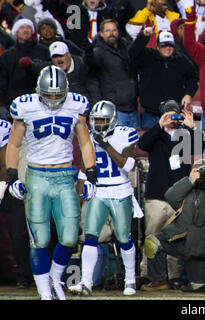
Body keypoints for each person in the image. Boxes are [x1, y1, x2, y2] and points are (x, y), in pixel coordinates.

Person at [6, 65, 97, 300]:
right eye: (49, 94)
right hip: (37, 176)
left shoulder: (77, 104)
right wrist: (12, 177)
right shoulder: (25, 106)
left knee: (69, 237)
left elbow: (86, 142)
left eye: (59, 94)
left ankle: (54, 279)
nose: (54, 99)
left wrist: (91, 174)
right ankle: (45, 292)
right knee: (40, 238)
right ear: (39, 90)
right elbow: (14, 144)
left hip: (66, 175)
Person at [68, 100, 139, 297]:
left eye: (102, 120)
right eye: (96, 120)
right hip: (98, 190)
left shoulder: (125, 134)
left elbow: (128, 165)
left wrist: (105, 145)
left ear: (112, 120)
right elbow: (83, 168)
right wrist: (79, 196)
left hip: (119, 191)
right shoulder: (88, 136)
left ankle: (130, 279)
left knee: (124, 237)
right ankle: (86, 282)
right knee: (91, 237)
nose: (98, 125)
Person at [143, 159, 205, 292]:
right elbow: (170, 196)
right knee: (152, 242)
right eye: (199, 170)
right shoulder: (187, 190)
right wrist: (189, 181)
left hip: (202, 247)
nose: (203, 174)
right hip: (181, 242)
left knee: (198, 287)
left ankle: (196, 279)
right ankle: (158, 280)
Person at [137, 100, 204, 290]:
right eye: (169, 115)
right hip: (156, 196)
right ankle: (149, 275)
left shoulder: (185, 135)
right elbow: (142, 143)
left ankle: (174, 276)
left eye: (176, 115)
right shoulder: (156, 135)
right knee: (152, 237)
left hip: (179, 198)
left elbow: (202, 147)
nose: (173, 119)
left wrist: (192, 128)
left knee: (174, 239)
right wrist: (160, 125)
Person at [129, 27, 199, 129]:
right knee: (150, 143)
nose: (167, 48)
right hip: (151, 114)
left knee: (176, 143)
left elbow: (193, 79)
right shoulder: (146, 56)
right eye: (164, 45)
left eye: (170, 45)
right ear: (157, 46)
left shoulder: (182, 60)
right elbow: (132, 52)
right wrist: (144, 35)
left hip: (174, 115)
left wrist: (189, 94)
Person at [86, 19, 139, 129]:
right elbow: (90, 61)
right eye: (108, 30)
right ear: (101, 34)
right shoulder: (98, 52)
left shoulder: (124, 48)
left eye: (114, 30)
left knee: (136, 145)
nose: (111, 33)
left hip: (133, 109)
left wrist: (144, 36)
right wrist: (87, 51)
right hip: (116, 110)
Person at [0, 118, 33, 289]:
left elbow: (5, 166)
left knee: (25, 233)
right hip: (13, 186)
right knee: (18, 234)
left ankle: (30, 275)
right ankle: (23, 274)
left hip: (24, 185)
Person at [0, 18, 50, 121]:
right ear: (16, 32)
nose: (25, 30)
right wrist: (2, 105)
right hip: (14, 103)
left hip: (41, 103)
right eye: (22, 27)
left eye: (28, 27)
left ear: (32, 31)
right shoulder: (6, 56)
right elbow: (2, 83)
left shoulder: (44, 51)